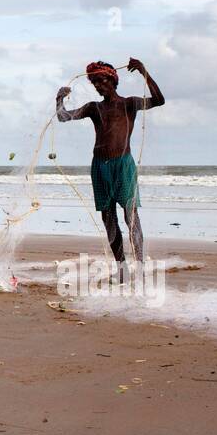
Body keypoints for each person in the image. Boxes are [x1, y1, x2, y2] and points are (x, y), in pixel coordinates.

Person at [56, 59, 164, 276]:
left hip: (123, 165)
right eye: (94, 82)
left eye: (101, 80)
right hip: (99, 167)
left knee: (130, 215)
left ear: (112, 80)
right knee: (108, 218)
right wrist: (59, 99)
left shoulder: (129, 104)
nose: (97, 85)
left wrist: (144, 71)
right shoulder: (94, 108)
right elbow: (63, 117)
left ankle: (140, 266)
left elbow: (159, 100)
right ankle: (121, 267)